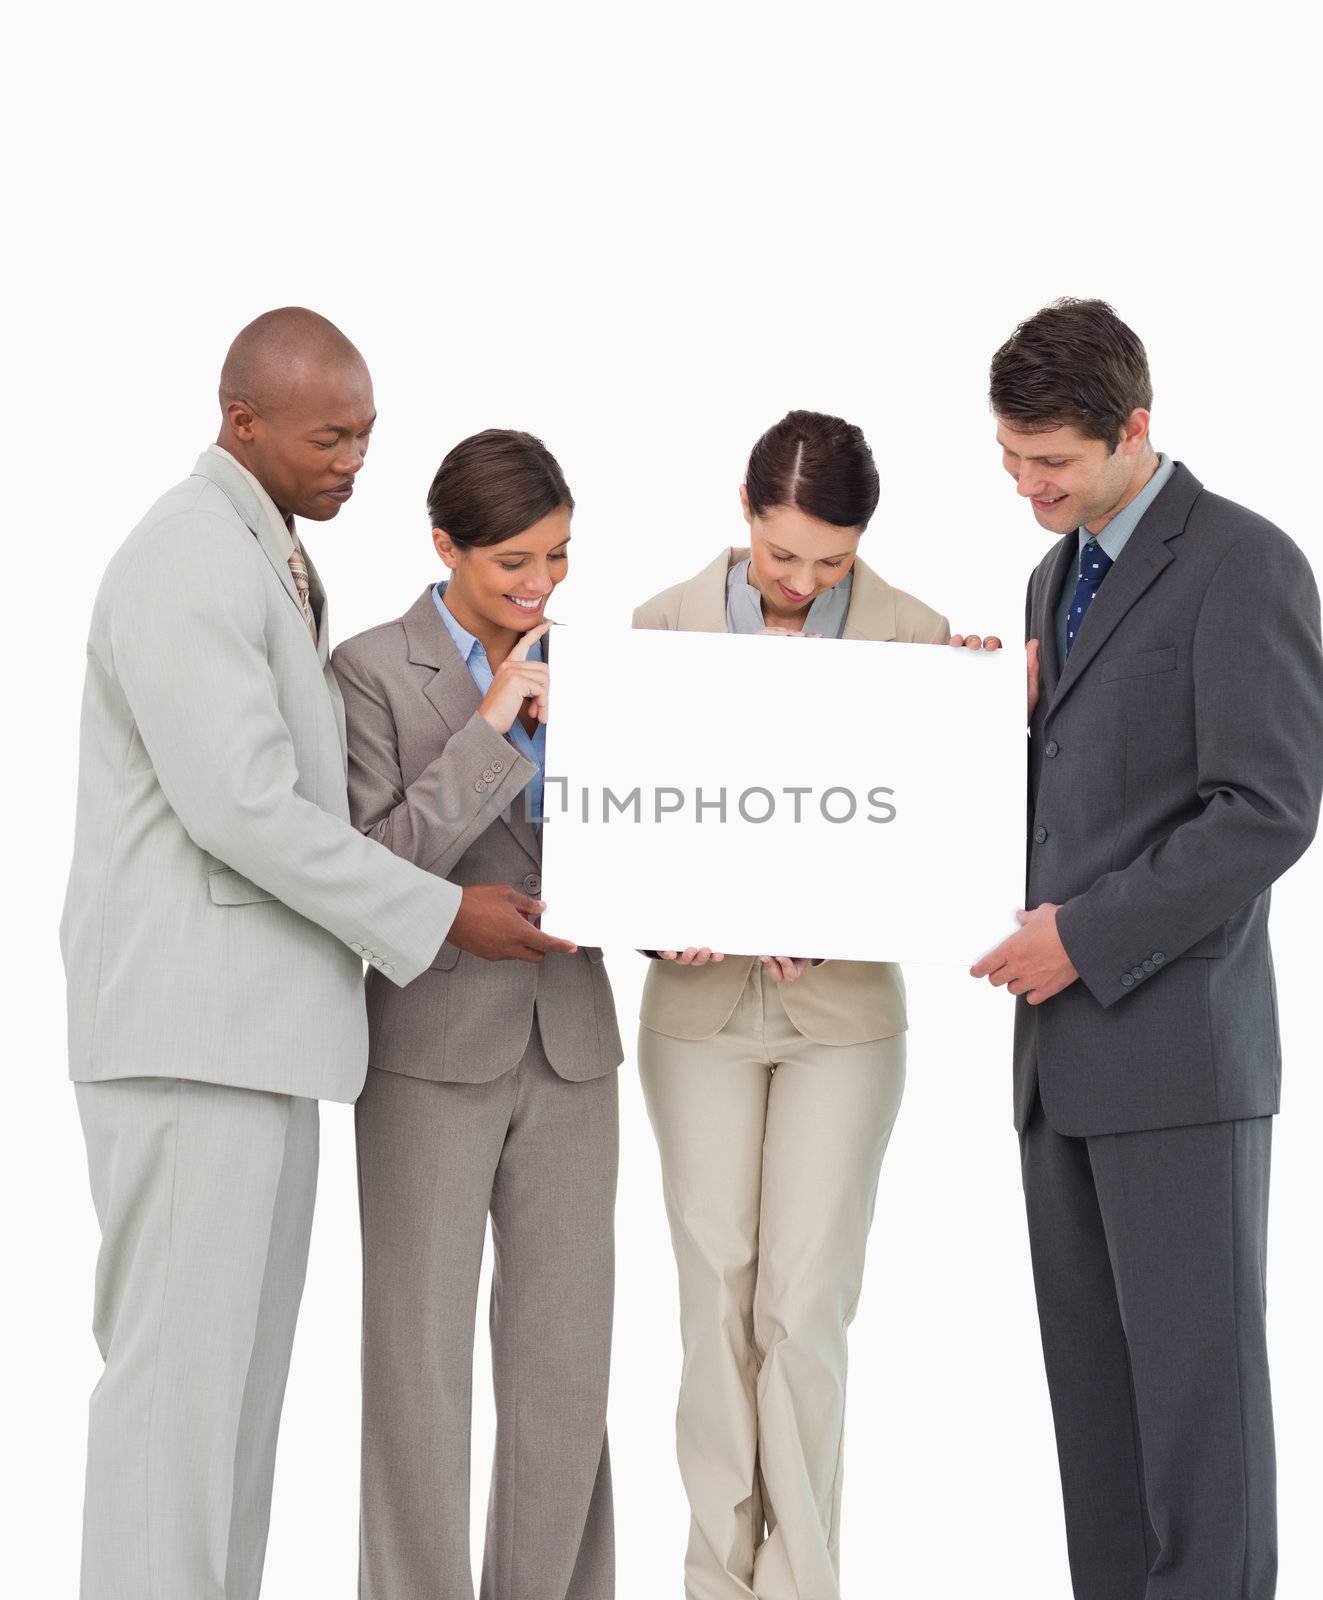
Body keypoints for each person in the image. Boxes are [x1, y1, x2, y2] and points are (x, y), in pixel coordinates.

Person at [59, 312, 572, 1600]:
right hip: (193, 1040)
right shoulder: (188, 555)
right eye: (328, 435)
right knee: (175, 1409)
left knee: (228, 1418)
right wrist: (437, 913)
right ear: (243, 424)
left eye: (366, 435)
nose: (354, 460)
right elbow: (240, 806)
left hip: (263, 1039)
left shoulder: (268, 553)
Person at [973, 297, 1323, 1600]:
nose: (1025, 487)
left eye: (1049, 463)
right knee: (1097, 1425)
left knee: (1196, 1419)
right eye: (1007, 461)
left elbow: (1264, 811)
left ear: (1132, 429)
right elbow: (1070, 790)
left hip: (1175, 1052)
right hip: (1056, 1066)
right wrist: (968, 726)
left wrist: (1083, 937)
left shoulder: (1244, 563)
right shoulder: (1047, 572)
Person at [633, 409, 997, 1600]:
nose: (801, 583)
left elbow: (948, 854)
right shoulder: (658, 630)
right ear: (746, 515)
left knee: (804, 1303)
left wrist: (986, 721)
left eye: (829, 563)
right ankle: (713, 1576)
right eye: (784, 556)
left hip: (843, 1021)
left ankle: (799, 1582)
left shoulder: (921, 638)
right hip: (697, 1015)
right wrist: (659, 912)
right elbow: (617, 839)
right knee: (713, 1297)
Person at [331, 428, 622, 1600]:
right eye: (512, 563)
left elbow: (641, 833)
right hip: (429, 1052)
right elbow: (358, 866)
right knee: (419, 1366)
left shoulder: (597, 666)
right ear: (444, 545)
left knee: (564, 1374)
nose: (541, 585)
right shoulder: (365, 669)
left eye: (557, 555)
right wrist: (491, 723)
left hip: (573, 1046)